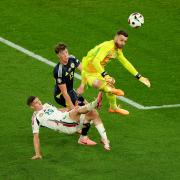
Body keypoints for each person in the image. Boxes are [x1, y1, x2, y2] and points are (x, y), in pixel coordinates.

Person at [79, 30, 151, 115]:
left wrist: (139, 77)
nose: (123, 43)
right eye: (121, 40)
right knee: (102, 84)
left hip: (98, 71)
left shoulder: (117, 51)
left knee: (109, 84)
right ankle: (112, 90)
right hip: (87, 72)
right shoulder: (107, 46)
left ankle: (113, 108)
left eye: (125, 41)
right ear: (115, 37)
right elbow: (95, 61)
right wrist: (105, 75)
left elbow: (125, 62)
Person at [27, 92, 110, 160]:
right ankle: (96, 102)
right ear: (32, 106)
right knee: (77, 111)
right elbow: (35, 136)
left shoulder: (47, 105)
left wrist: (67, 109)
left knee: (94, 113)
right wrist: (37, 154)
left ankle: (105, 141)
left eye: (38, 100)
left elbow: (57, 111)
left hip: (67, 117)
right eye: (36, 103)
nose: (39, 102)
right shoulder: (36, 118)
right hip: (63, 125)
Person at [53, 43, 106, 145]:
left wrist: (83, 84)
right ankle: (83, 138)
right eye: (62, 53)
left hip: (71, 91)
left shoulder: (72, 58)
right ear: (58, 55)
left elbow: (84, 71)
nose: (65, 55)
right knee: (86, 112)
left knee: (88, 108)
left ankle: (57, 113)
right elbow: (64, 92)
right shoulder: (58, 71)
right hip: (61, 96)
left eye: (66, 52)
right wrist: (73, 109)